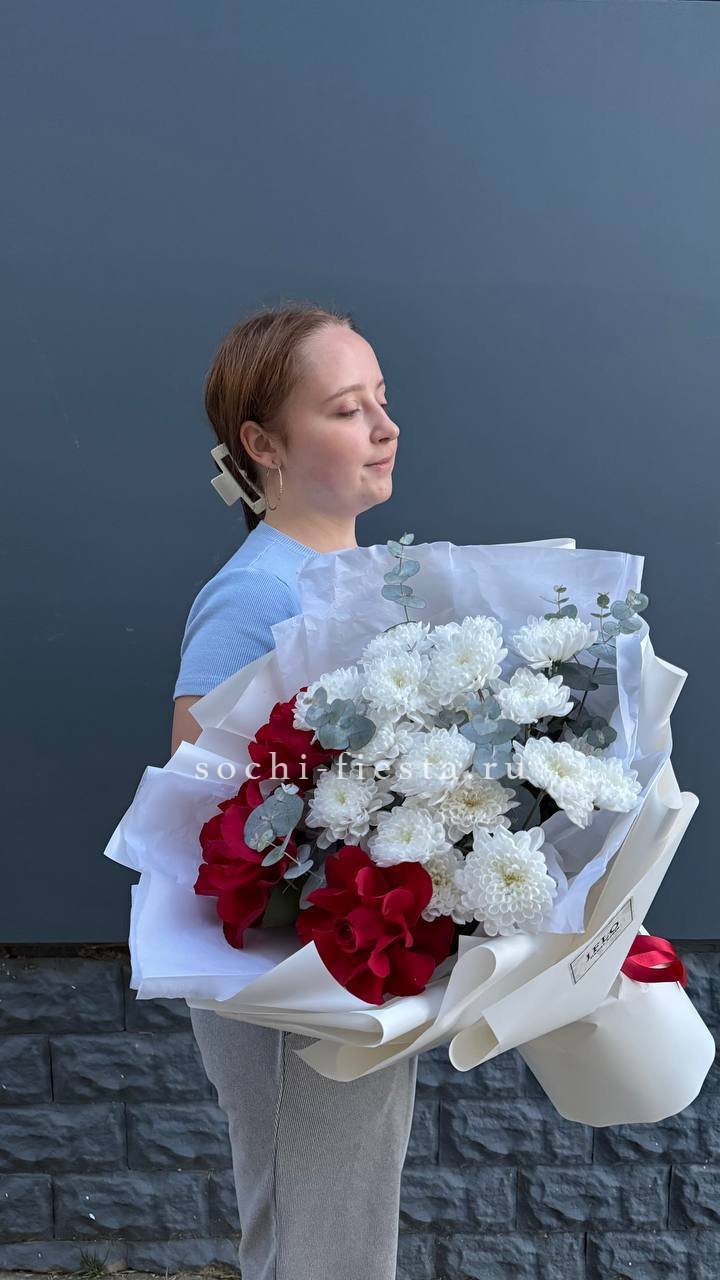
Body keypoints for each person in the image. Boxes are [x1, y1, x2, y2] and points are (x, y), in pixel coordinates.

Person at [170, 303, 414, 1280]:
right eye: (348, 409)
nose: (385, 427)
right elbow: (200, 809)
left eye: (382, 400)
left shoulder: (357, 577)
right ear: (262, 445)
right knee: (314, 1245)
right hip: (288, 974)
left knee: (347, 1233)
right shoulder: (260, 593)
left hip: (356, 952)